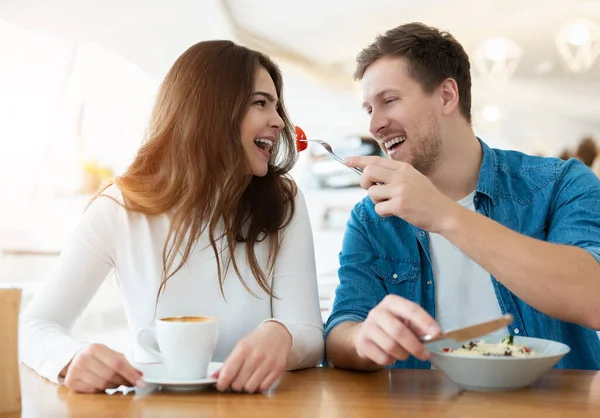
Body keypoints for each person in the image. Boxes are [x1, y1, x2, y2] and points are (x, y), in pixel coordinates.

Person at [19, 40, 324, 393]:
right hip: (156, 405)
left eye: (277, 106)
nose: (279, 121)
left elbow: (309, 335)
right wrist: (71, 357)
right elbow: (33, 325)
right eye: (260, 103)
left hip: (259, 408)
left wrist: (282, 335)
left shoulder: (284, 201)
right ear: (210, 110)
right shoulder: (120, 208)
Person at [324, 23, 600, 371]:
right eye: (368, 109)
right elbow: (340, 333)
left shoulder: (559, 184)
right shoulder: (370, 219)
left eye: (389, 100)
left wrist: (444, 215)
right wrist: (361, 338)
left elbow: (594, 298)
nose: (374, 125)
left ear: (446, 96)